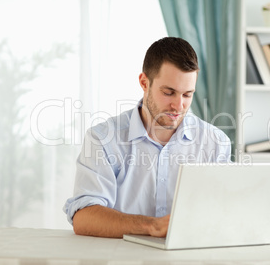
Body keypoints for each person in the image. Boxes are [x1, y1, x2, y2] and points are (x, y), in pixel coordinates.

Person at [63, 37, 232, 238]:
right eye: (169, 92)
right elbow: (85, 218)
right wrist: (152, 226)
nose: (178, 106)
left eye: (187, 95)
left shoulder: (215, 142)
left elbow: (227, 210)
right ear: (144, 82)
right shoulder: (103, 139)